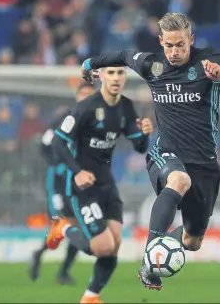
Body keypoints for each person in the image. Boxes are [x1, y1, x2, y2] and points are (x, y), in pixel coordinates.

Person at [80, 12, 220, 290]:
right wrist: (90, 63)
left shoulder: (210, 61)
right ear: (161, 41)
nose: (174, 52)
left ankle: (162, 249)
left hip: (205, 163)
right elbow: (124, 55)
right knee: (178, 180)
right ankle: (150, 260)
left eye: (180, 45)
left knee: (192, 241)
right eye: (169, 45)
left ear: (191, 40)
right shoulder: (152, 65)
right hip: (166, 152)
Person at [46, 66, 154, 304]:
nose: (116, 78)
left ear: (125, 77)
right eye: (111, 73)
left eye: (120, 73)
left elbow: (139, 147)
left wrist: (144, 133)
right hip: (83, 188)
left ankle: (90, 297)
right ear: (102, 77)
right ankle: (62, 227)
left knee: (115, 245)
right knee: (103, 247)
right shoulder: (85, 107)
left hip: (107, 184)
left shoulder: (125, 106)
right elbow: (57, 142)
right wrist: (77, 172)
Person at [29, 83, 95, 284]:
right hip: (58, 181)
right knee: (61, 224)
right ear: (77, 96)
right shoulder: (63, 119)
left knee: (79, 228)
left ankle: (63, 272)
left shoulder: (96, 122)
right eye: (83, 95)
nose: (86, 99)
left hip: (79, 182)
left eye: (90, 96)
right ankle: (40, 253)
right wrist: (58, 164)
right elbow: (44, 144)